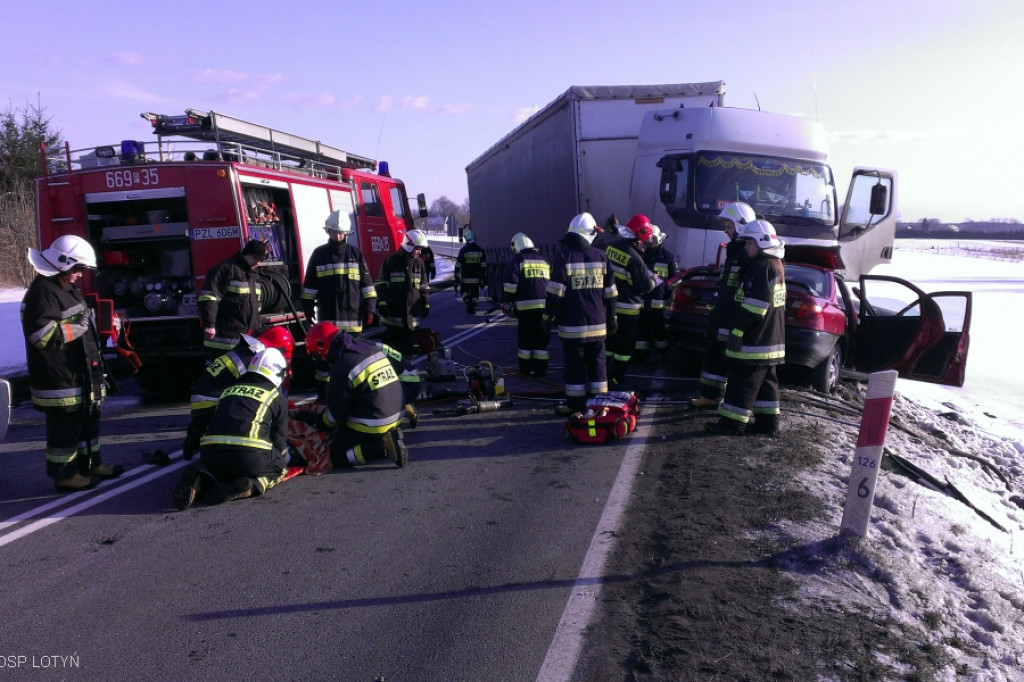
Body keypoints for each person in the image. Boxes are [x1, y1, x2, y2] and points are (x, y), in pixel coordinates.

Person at [21, 235, 124, 492]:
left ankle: (90, 464)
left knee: (87, 422)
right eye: (77, 269)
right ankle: (65, 475)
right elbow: (41, 336)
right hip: (60, 378)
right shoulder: (42, 292)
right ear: (62, 264)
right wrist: (77, 329)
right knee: (65, 430)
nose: (80, 275)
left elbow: (80, 321)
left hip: (79, 374)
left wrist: (102, 325)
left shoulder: (63, 287)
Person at [173, 347, 292, 509]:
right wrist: (285, 457)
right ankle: (250, 486)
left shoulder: (229, 389)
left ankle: (202, 478)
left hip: (211, 456)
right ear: (278, 372)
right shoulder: (276, 396)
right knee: (279, 466)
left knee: (223, 468)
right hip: (248, 458)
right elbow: (279, 440)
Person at [705, 219, 786, 436]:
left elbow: (754, 307)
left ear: (761, 243)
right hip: (771, 340)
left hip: (755, 341)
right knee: (767, 384)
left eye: (749, 243)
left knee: (742, 382)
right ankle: (768, 424)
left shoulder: (760, 268)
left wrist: (737, 331)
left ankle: (731, 424)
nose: (746, 247)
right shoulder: (773, 266)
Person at [300, 323, 409, 468]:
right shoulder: (368, 347)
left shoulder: (342, 366)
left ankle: (381, 446)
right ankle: (387, 435)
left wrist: (318, 421)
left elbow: (336, 415)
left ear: (322, 346)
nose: (320, 359)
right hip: (398, 413)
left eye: (317, 355)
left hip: (375, 421)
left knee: (336, 455)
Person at [181, 326, 295, 460]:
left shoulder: (242, 351)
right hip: (213, 402)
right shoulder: (255, 360)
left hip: (200, 400)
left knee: (204, 420)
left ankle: (194, 437)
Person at [545, 212, 617, 415]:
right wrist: (612, 317)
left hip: (572, 327)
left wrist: (547, 317)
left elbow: (555, 294)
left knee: (575, 367)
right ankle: (600, 405)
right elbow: (611, 294)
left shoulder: (563, 257)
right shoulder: (602, 257)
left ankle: (575, 406)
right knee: (598, 366)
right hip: (598, 325)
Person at [691, 202, 757, 410]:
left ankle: (717, 397)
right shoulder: (735, 251)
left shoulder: (745, 253)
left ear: (740, 225)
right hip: (724, 312)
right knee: (715, 353)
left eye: (729, 226)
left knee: (723, 356)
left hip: (732, 315)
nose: (725, 231)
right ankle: (711, 396)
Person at [603, 214, 660, 389]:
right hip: (628, 311)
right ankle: (617, 379)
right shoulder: (635, 258)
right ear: (641, 234)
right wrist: (654, 279)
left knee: (608, 345)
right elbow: (645, 286)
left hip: (609, 307)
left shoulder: (610, 247)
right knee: (624, 349)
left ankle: (602, 375)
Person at [300, 210, 377, 333]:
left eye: (341, 233)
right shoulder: (319, 254)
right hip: (328, 321)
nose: (338, 236)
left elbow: (367, 286)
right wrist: (308, 308)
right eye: (335, 232)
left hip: (353, 320)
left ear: (346, 233)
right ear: (328, 231)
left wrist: (370, 309)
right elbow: (309, 286)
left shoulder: (355, 254)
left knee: (352, 352)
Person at [198, 239, 268, 356]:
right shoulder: (226, 269)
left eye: (260, 260)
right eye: (255, 258)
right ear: (246, 254)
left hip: (248, 339)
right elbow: (209, 297)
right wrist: (210, 325)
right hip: (225, 340)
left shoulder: (253, 275)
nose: (257, 263)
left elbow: (256, 304)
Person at [502, 232, 552, 377]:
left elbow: (510, 285)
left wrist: (509, 299)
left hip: (526, 310)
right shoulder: (545, 261)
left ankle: (525, 370)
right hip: (545, 308)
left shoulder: (518, 261)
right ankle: (540, 370)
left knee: (526, 341)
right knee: (541, 341)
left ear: (516, 246)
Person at [377, 230, 430, 355]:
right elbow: (381, 284)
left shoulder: (419, 264)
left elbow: (423, 286)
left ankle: (407, 373)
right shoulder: (390, 262)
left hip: (412, 322)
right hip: (393, 322)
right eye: (418, 248)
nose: (420, 252)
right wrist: (383, 303)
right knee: (392, 356)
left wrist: (425, 304)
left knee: (408, 355)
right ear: (409, 245)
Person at [636, 224, 678, 362]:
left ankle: (662, 355)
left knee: (660, 334)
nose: (649, 242)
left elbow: (675, 279)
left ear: (659, 239)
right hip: (641, 304)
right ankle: (641, 357)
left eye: (652, 238)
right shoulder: (640, 255)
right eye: (647, 239)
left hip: (660, 307)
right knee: (641, 333)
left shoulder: (667, 257)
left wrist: (673, 293)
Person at [455, 227, 488, 314]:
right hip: (476, 279)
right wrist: (483, 277)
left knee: (463, 291)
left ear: (466, 238)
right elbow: (484, 266)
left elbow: (459, 264)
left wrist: (456, 275)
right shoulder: (480, 250)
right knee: (475, 293)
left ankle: (468, 301)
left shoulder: (463, 250)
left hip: (465, 279)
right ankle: (474, 304)